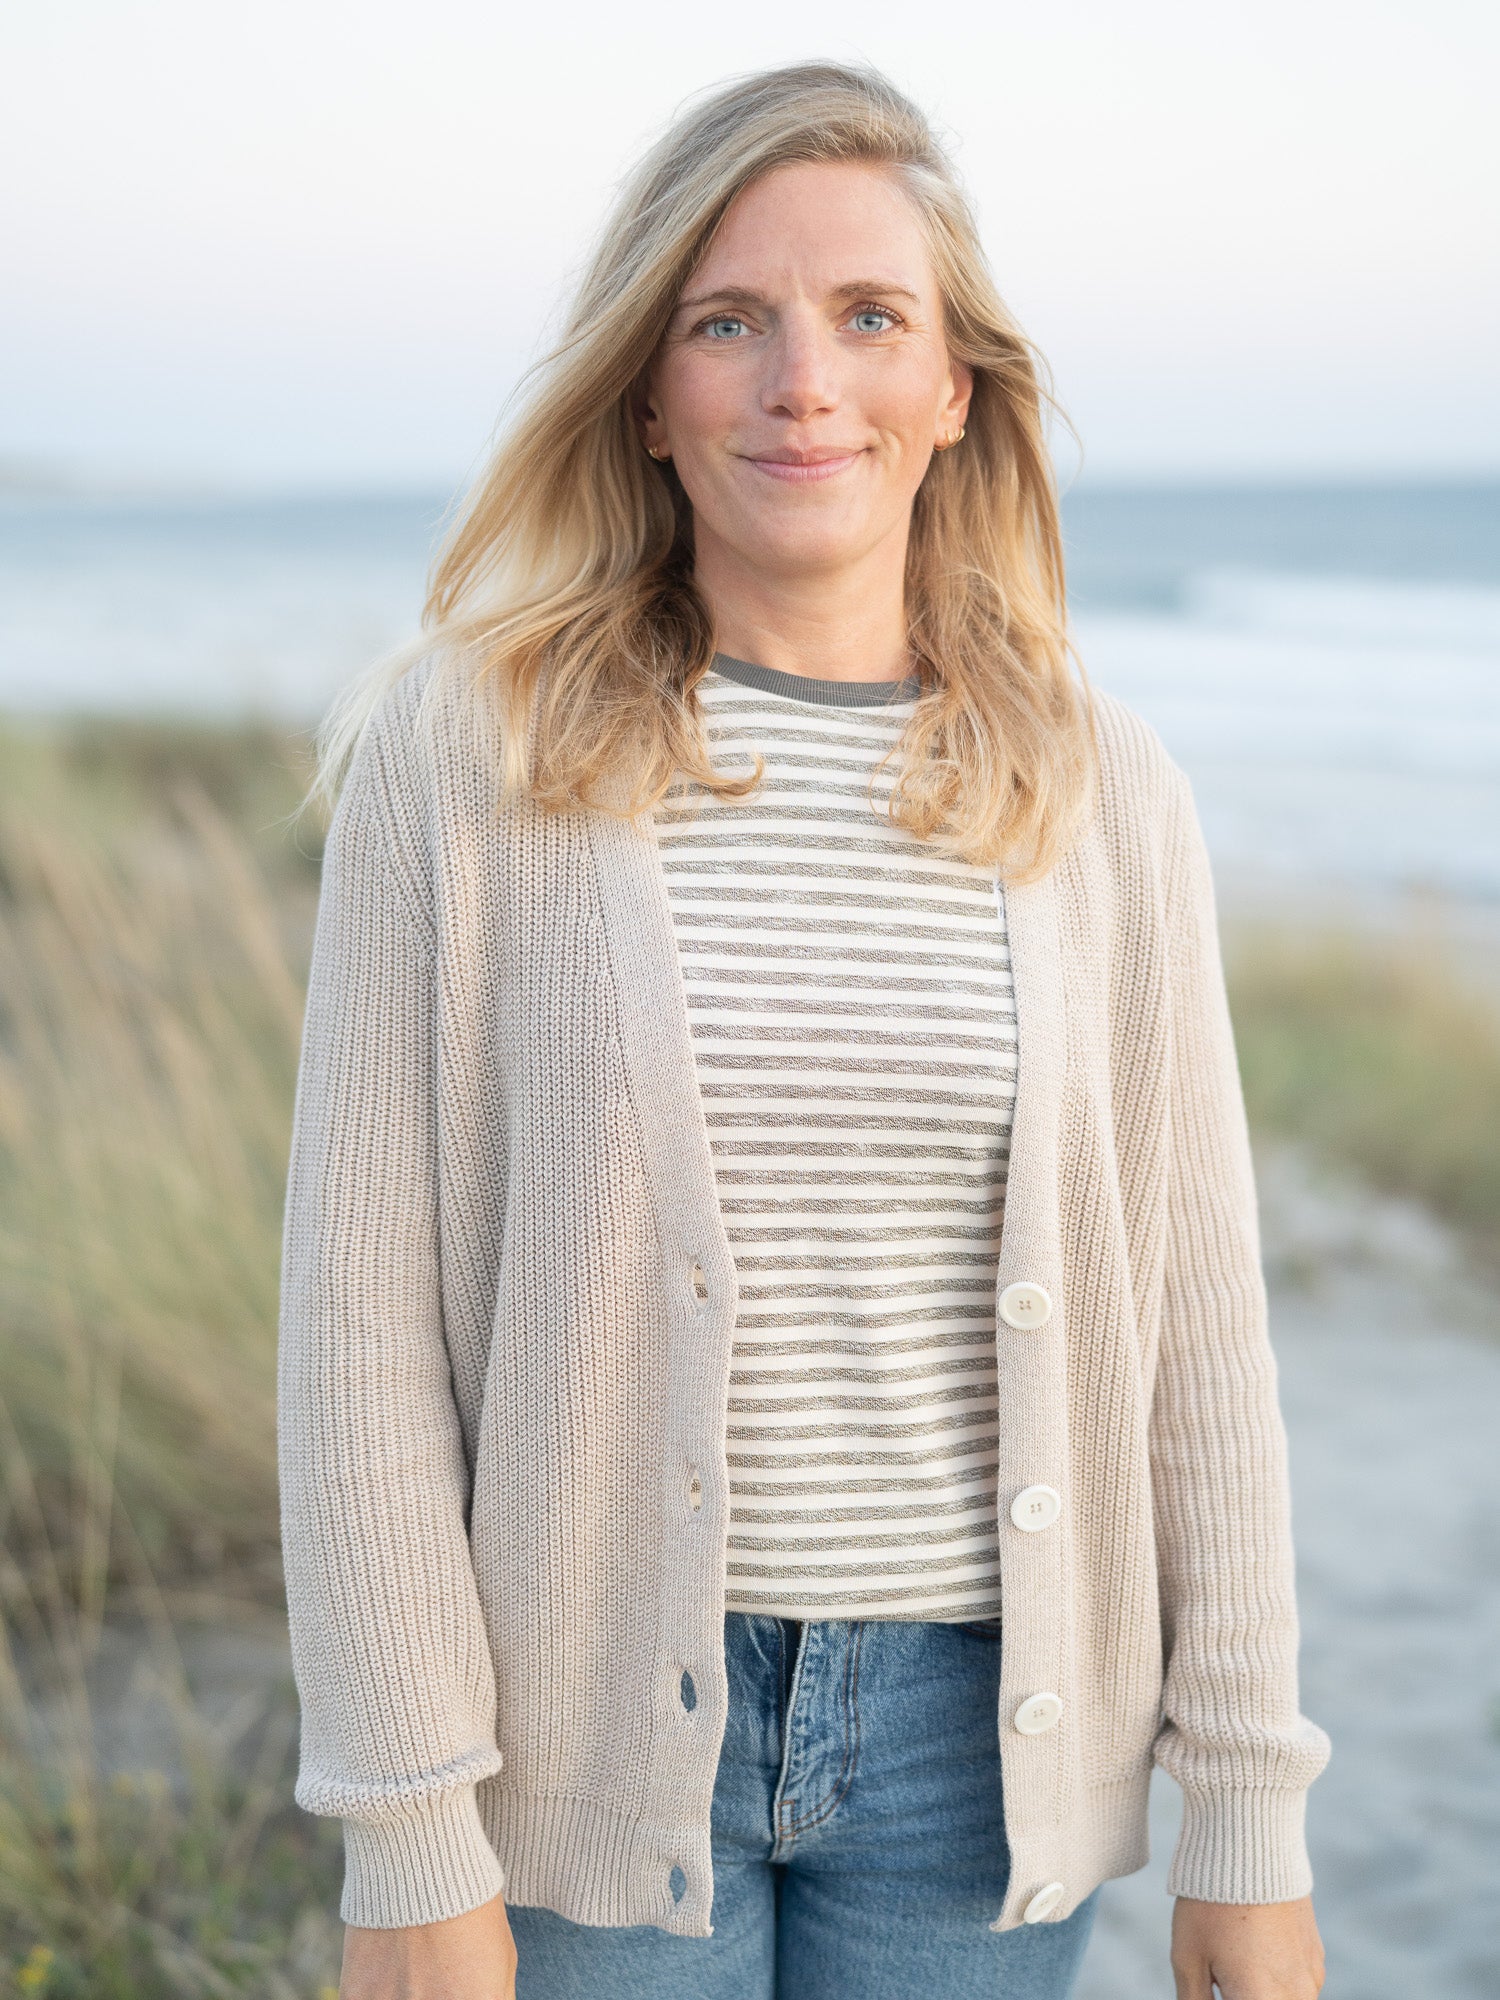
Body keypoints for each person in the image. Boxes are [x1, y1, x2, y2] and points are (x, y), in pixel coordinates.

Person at [277, 59, 1330, 2000]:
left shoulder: (1104, 793)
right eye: (727, 320)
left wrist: (1249, 1814)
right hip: (574, 1732)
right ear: (651, 392)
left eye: (870, 319)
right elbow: (362, 1326)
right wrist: (409, 1825)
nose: (802, 382)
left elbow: (1196, 1333)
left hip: (976, 1759)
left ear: (954, 391)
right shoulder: (466, 751)